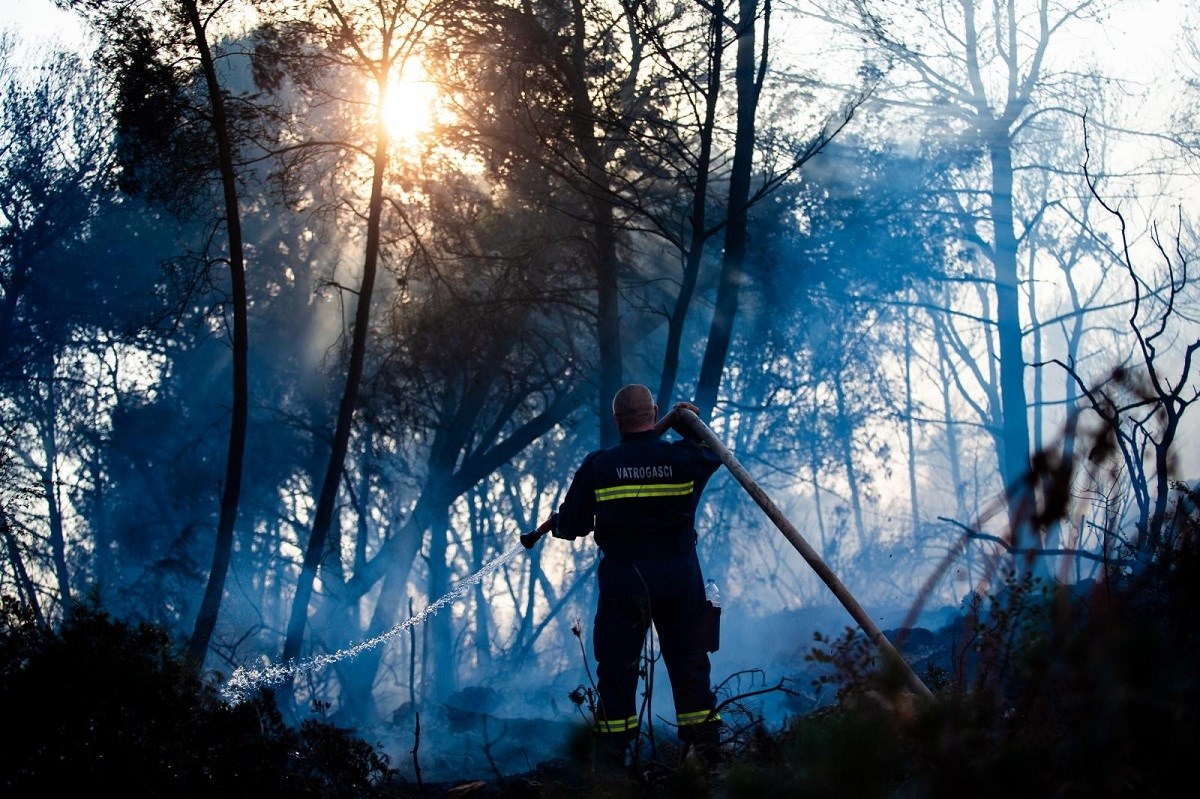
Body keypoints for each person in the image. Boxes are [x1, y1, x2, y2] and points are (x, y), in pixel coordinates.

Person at [547, 383, 724, 772]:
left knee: (617, 667)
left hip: (625, 581)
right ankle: (706, 756)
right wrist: (688, 425)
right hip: (679, 577)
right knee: (690, 662)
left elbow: (573, 525)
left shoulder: (599, 465)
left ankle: (614, 762)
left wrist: (560, 522)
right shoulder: (682, 458)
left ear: (616, 421)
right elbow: (716, 453)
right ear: (655, 411)